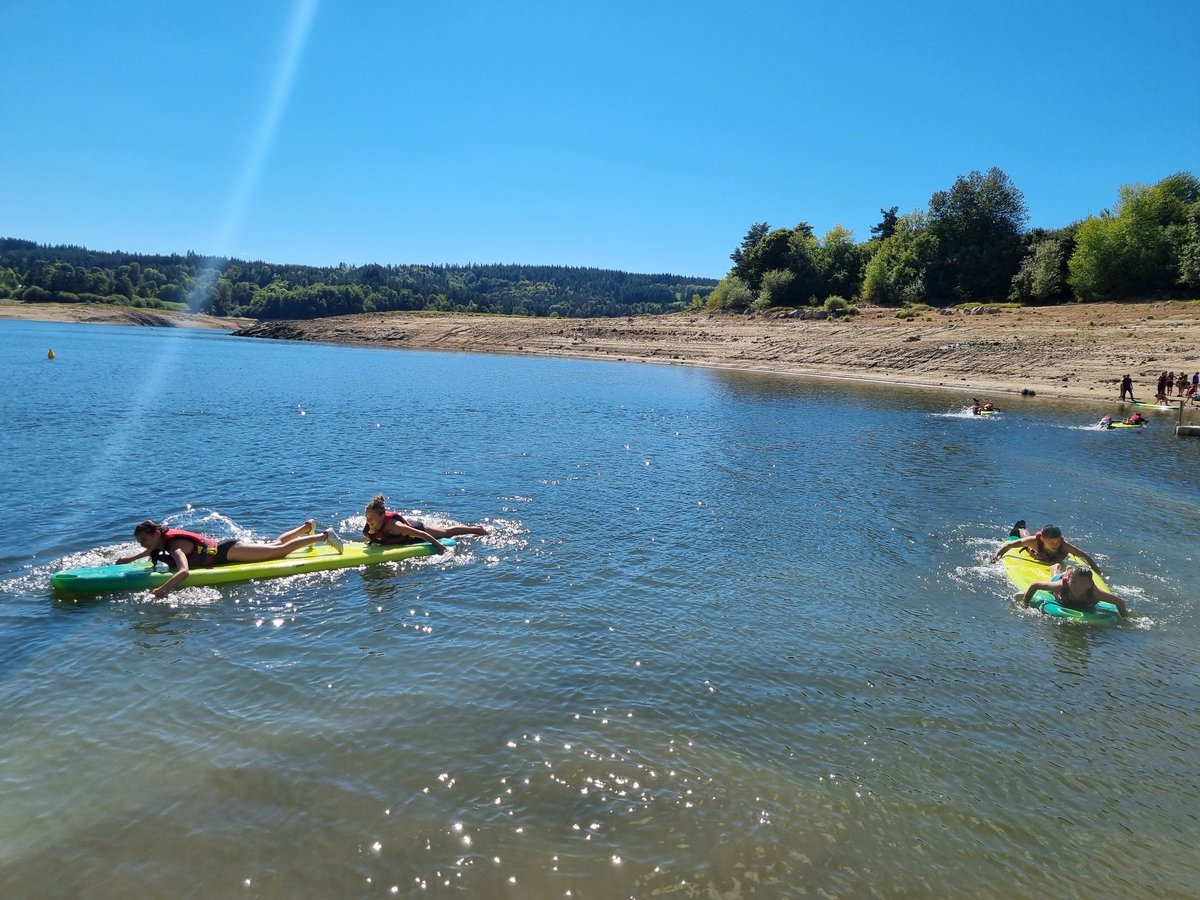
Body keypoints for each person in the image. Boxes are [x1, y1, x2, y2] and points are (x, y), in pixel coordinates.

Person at [117, 519, 343, 598]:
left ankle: (323, 536)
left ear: (155, 534)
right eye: (140, 543)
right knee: (275, 544)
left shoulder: (173, 545)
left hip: (227, 552)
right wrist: (129, 560)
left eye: (144, 540)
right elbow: (151, 550)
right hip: (225, 548)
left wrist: (161, 591)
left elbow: (183, 571)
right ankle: (306, 528)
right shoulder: (161, 540)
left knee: (279, 552)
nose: (143, 546)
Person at [362, 495, 487, 554]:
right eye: (367, 518)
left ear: (382, 516)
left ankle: (477, 530)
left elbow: (422, 534)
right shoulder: (370, 526)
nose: (369, 521)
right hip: (406, 533)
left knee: (447, 533)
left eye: (371, 518)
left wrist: (441, 548)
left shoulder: (395, 526)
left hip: (416, 529)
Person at [1021, 564, 1127, 618]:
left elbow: (1119, 602)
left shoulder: (1095, 593)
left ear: (1090, 584)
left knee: (1074, 577)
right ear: (1068, 580)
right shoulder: (1062, 585)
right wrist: (1024, 604)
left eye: (1083, 584)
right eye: (1074, 583)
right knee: (1056, 576)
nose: (1077, 587)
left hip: (1072, 578)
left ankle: (1070, 570)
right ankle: (1055, 568)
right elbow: (1035, 585)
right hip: (1063, 579)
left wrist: (1124, 620)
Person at [992, 521, 1103, 574]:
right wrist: (996, 558)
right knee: (1025, 537)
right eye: (1050, 542)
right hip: (1035, 551)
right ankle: (1020, 528)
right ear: (1043, 540)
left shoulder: (1064, 546)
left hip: (1049, 559)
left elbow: (1085, 557)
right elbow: (1009, 545)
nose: (1055, 545)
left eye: (1057, 541)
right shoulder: (1035, 542)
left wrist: (1098, 572)